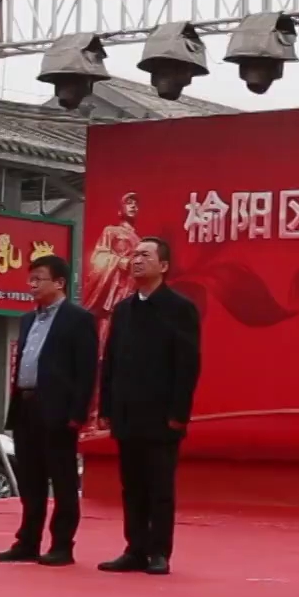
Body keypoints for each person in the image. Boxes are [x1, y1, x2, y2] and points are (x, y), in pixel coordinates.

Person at [97, 237, 200, 576]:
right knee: (132, 486)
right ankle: (135, 549)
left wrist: (178, 414)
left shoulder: (180, 308)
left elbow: (187, 365)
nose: (137, 260)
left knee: (159, 487)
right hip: (127, 414)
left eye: (145, 255)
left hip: (161, 416)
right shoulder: (124, 310)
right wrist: (106, 407)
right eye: (134, 255)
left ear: (164, 266)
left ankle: (159, 551)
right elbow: (110, 361)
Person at [0, 254, 98, 566]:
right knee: (30, 478)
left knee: (62, 479)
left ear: (60, 282)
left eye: (39, 278)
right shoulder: (28, 319)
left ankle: (62, 544)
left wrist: (78, 413)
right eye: (31, 279)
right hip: (26, 406)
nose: (32, 285)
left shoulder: (79, 319)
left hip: (58, 410)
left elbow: (86, 370)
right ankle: (28, 540)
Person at [81, 192, 141, 431]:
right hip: (111, 302)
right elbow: (98, 258)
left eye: (136, 203)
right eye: (128, 202)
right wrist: (119, 262)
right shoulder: (111, 232)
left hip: (130, 301)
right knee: (102, 357)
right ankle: (94, 414)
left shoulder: (140, 240)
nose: (133, 206)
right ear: (119, 208)